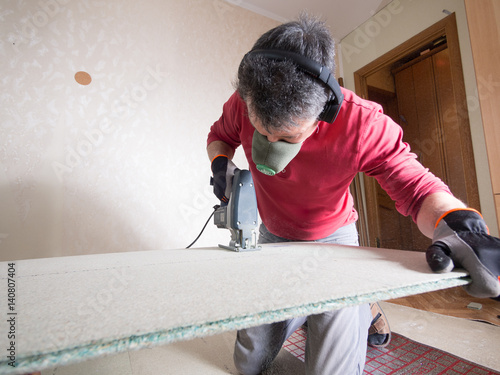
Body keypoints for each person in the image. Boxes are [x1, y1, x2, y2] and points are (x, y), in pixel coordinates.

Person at [206, 14, 500, 375]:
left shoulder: (362, 123)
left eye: (287, 137)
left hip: (335, 240)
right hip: (272, 234)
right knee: (247, 364)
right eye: (260, 131)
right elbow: (219, 135)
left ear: (324, 112)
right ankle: (319, 305)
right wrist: (220, 161)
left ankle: (360, 305)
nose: (269, 146)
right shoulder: (242, 102)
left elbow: (414, 185)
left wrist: (458, 224)